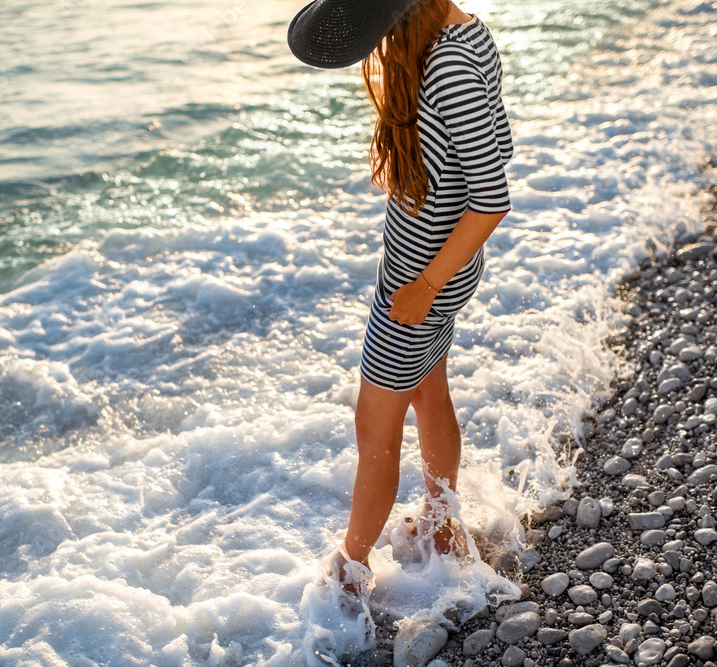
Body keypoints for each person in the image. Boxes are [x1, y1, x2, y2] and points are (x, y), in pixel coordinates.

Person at [288, 0, 514, 622]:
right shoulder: (459, 30)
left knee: (374, 431)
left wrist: (423, 286)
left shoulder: (447, 63)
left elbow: (492, 197)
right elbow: (493, 150)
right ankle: (442, 523)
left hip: (422, 282)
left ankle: (351, 573)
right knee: (428, 393)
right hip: (425, 272)